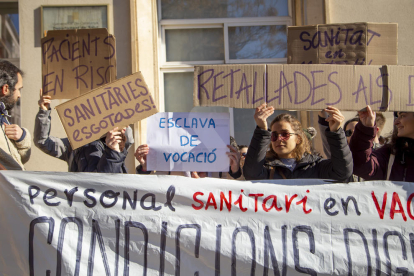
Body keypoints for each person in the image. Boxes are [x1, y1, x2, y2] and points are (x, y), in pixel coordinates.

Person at [243, 103, 352, 181]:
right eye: (274, 135)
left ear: (298, 139)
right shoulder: (266, 168)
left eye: (285, 134)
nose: (279, 139)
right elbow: (251, 174)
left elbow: (343, 172)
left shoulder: (315, 166)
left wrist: (336, 132)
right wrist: (262, 130)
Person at [34, 90, 134, 173]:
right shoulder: (73, 145)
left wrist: (113, 149)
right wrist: (44, 112)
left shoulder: (117, 143)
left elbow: (106, 182)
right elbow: (43, 142)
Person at [349, 106, 414, 181]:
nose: (396, 122)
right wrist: (365, 129)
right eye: (397, 116)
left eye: (402, 116)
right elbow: (361, 166)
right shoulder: (392, 153)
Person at [0, 60, 31, 170]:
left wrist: (22, 138)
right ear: (5, 89)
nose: (19, 95)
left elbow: (20, 159)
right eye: (18, 89)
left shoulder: (3, 117)